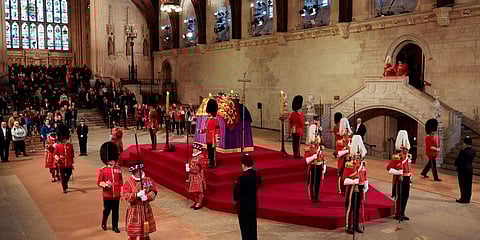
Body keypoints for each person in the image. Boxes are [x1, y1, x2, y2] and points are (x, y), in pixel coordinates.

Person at [121, 162, 158, 240]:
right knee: (134, 231)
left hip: (145, 207)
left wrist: (147, 197)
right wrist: (136, 195)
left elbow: (154, 191)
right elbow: (125, 195)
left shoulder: (148, 180)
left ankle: (145, 238)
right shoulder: (129, 182)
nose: (139, 172)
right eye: (137, 171)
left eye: (140, 170)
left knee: (145, 229)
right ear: (134, 172)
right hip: (135, 209)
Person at [233, 154, 262, 240]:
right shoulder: (257, 174)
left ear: (243, 164)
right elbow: (258, 186)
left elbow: (236, 194)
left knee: (245, 229)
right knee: (253, 227)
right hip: (253, 204)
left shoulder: (241, 178)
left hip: (243, 207)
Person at [343, 135, 368, 234]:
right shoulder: (349, 164)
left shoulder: (363, 164)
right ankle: (348, 226)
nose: (358, 157)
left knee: (358, 207)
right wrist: (354, 181)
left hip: (360, 187)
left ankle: (356, 225)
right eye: (357, 156)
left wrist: (365, 184)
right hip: (352, 188)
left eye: (359, 156)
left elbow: (364, 175)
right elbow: (344, 179)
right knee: (351, 207)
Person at [97, 141, 123, 233]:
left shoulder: (118, 169)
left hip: (116, 194)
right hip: (107, 194)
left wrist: (122, 192)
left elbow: (120, 181)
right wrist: (105, 185)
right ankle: (104, 221)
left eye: (113, 159)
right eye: (110, 160)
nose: (112, 161)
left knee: (116, 211)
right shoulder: (103, 170)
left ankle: (115, 226)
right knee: (107, 210)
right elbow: (99, 182)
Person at [387, 130, 412, 221]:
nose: (406, 150)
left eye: (407, 148)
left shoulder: (408, 157)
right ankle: (397, 214)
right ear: (401, 148)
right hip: (399, 179)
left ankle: (403, 212)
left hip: (407, 178)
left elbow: (409, 168)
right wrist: (398, 172)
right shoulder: (397, 157)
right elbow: (389, 168)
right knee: (399, 196)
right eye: (404, 149)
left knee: (406, 196)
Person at [304, 119, 327, 203]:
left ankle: (316, 196)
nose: (317, 139)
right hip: (313, 165)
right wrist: (313, 157)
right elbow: (306, 160)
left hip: (319, 165)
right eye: (316, 138)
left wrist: (324, 166)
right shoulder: (309, 148)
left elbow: (323, 157)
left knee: (318, 182)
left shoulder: (320, 147)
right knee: (312, 182)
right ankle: (312, 196)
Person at [186, 143, 208, 210]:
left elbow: (197, 169)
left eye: (195, 149)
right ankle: (196, 201)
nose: (193, 150)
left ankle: (199, 203)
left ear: (198, 150)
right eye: (193, 148)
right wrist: (188, 166)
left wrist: (190, 169)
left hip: (198, 177)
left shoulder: (201, 157)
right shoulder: (193, 156)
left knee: (199, 191)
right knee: (195, 191)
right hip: (192, 176)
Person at [455, 136, 476, 204]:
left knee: (462, 184)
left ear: (465, 143)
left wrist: (456, 164)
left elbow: (458, 161)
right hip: (470, 168)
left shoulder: (463, 151)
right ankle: (468, 199)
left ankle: (463, 198)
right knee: (468, 184)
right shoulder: (473, 151)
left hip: (462, 170)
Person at [54, 126, 74, 193]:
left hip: (69, 163)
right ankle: (64, 188)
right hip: (61, 164)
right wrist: (58, 159)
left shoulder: (70, 145)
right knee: (62, 176)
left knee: (69, 173)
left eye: (66, 139)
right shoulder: (58, 146)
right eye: (63, 139)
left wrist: (73, 163)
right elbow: (55, 154)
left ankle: (65, 182)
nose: (65, 140)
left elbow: (72, 154)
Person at [202, 99, 220, 168]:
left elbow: (218, 129)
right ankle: (210, 162)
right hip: (208, 138)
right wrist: (201, 131)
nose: (208, 113)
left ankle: (213, 163)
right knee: (209, 151)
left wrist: (218, 137)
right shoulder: (207, 120)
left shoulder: (215, 120)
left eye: (209, 112)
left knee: (213, 152)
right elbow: (207, 129)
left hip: (213, 139)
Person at [336, 118, 352, 195]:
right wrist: (346, 150)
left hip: (349, 159)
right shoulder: (339, 142)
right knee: (342, 174)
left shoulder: (350, 141)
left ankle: (347, 188)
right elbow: (338, 153)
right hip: (343, 159)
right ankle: (342, 189)